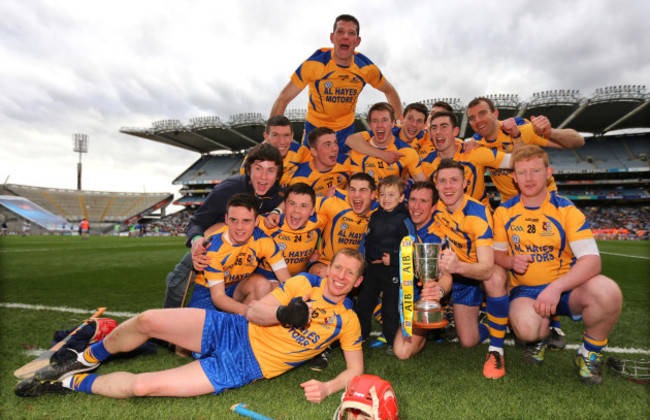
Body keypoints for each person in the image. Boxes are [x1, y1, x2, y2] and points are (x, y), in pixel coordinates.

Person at [15, 249, 366, 402]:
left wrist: (330, 386)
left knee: (142, 388)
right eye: (338, 268)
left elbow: (355, 370)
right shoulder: (303, 283)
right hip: (233, 329)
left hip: (243, 366)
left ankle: (71, 382)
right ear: (327, 269)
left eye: (350, 273)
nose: (341, 276)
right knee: (149, 319)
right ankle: (85, 358)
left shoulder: (347, 321)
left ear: (357, 283)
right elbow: (257, 311)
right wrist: (284, 314)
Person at [492, 145, 622, 384]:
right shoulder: (504, 212)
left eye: (535, 171)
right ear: (514, 177)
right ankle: (539, 339)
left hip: (565, 289)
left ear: (548, 172)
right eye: (522, 172)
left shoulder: (566, 209)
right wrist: (511, 261)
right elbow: (497, 255)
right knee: (527, 329)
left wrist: (556, 287)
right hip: (526, 291)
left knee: (608, 291)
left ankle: (589, 352)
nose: (528, 178)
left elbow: (592, 261)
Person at [163, 143, 285, 309]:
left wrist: (278, 210)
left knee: (256, 288)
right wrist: (198, 240)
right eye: (258, 169)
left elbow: (294, 198)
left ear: (278, 175)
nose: (264, 176)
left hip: (245, 251)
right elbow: (197, 221)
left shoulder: (277, 195)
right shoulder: (228, 189)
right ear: (248, 170)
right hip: (212, 246)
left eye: (270, 170)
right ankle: (165, 330)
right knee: (177, 285)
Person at [270, 14, 402, 160]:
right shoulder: (315, 64)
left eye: (351, 33)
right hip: (315, 127)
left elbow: (390, 91)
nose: (345, 36)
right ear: (332, 38)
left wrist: (398, 126)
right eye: (340, 31)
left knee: (343, 175)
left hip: (345, 130)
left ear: (357, 41)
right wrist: (271, 138)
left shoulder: (365, 68)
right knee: (308, 172)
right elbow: (283, 99)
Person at [433, 159, 509, 379]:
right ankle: (494, 322)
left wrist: (457, 266)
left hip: (479, 269)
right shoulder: (437, 207)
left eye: (454, 180)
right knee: (468, 341)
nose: (448, 186)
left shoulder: (477, 214)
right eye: (443, 181)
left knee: (494, 278)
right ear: (436, 184)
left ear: (465, 183)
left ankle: (496, 349)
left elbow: (486, 268)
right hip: (460, 273)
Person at [466, 96, 584, 204]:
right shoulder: (475, 144)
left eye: (482, 113)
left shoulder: (523, 129)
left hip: (543, 199)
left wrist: (551, 132)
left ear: (495, 114)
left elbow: (578, 140)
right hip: (510, 205)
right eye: (472, 118)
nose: (477, 120)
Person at [186, 194, 291, 315]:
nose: (239, 227)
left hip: (237, 286)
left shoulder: (264, 241)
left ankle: (244, 328)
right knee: (204, 330)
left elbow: (286, 280)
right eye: (233, 220)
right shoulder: (213, 249)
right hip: (209, 291)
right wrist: (249, 311)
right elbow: (218, 297)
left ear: (256, 221)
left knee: (264, 285)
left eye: (246, 220)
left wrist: (298, 303)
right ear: (226, 220)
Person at [355, 176, 414, 355]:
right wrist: (363, 261)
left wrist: (395, 258)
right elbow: (368, 241)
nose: (386, 199)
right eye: (382, 194)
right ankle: (360, 335)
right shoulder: (375, 216)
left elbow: (411, 245)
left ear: (402, 197)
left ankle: (391, 339)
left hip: (393, 269)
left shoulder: (404, 219)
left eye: (391, 194)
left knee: (390, 306)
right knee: (363, 302)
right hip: (373, 268)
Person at [393, 181, 451, 360]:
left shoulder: (438, 236)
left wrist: (437, 292)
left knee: (402, 352)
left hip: (419, 298)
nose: (416, 207)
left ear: (434, 207)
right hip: (396, 293)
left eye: (424, 201)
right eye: (413, 200)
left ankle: (429, 318)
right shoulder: (398, 224)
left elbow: (446, 274)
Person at [423, 111, 511, 210]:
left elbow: (514, 161)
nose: (438, 131)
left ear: (455, 131)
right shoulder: (426, 163)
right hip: (448, 220)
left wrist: (516, 138)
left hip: (480, 219)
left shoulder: (474, 152)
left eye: (444, 126)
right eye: (434, 128)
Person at [308, 172, 376, 278]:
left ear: (373, 195)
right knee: (327, 274)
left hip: (356, 269)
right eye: (352, 190)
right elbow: (301, 204)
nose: (356, 195)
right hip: (325, 263)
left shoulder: (380, 211)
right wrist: (277, 212)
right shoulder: (334, 204)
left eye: (363, 190)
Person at [348, 102, 428, 186]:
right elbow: (350, 140)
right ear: (370, 125)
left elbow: (424, 185)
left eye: (384, 120)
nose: (380, 125)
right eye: (375, 121)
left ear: (393, 123)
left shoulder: (410, 150)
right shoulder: (361, 147)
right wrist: (383, 155)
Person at [258, 183, 326, 277]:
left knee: (325, 272)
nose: (296, 210)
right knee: (262, 286)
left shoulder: (319, 222)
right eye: (292, 204)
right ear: (284, 206)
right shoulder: (267, 223)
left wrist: (316, 250)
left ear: (312, 211)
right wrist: (274, 212)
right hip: (266, 277)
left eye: (303, 206)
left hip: (298, 278)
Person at [239, 115, 310, 189]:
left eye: (286, 135)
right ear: (266, 137)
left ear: (292, 136)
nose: (282, 142)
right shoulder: (251, 161)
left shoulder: (302, 153)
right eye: (275, 135)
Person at [290, 127, 351, 197]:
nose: (335, 148)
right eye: (327, 145)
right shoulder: (301, 180)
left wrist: (345, 192)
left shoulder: (346, 162)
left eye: (335, 143)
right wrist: (327, 201)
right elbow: (299, 206)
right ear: (314, 151)